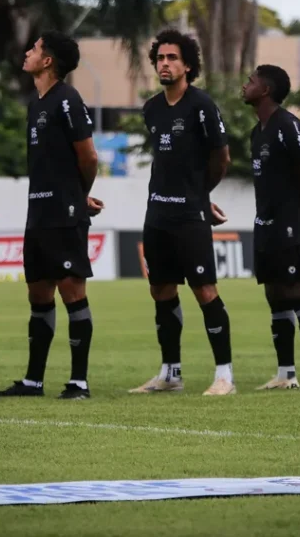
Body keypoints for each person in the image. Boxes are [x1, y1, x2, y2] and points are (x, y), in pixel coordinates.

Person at [0, 31, 102, 401]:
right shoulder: (35, 103)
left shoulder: (67, 100)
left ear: (48, 60)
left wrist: (78, 195)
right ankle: (33, 381)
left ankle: (79, 382)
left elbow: (89, 157)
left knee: (72, 292)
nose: (27, 53)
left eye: (35, 49)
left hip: (64, 212)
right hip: (37, 212)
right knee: (38, 294)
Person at [129, 29, 235, 396]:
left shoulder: (201, 105)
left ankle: (225, 376)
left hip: (190, 214)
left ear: (188, 65)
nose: (165, 63)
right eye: (160, 58)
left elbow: (221, 157)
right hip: (157, 213)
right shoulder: (152, 109)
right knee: (160, 289)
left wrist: (200, 195)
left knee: (205, 290)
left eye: (172, 58)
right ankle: (170, 373)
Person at [242, 64, 300, 392]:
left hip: (291, 225)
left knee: (297, 292)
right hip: (265, 224)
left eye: (250, 81)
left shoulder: (287, 126)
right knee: (275, 295)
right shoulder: (257, 132)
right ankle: (285, 374)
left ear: (265, 90)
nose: (245, 85)